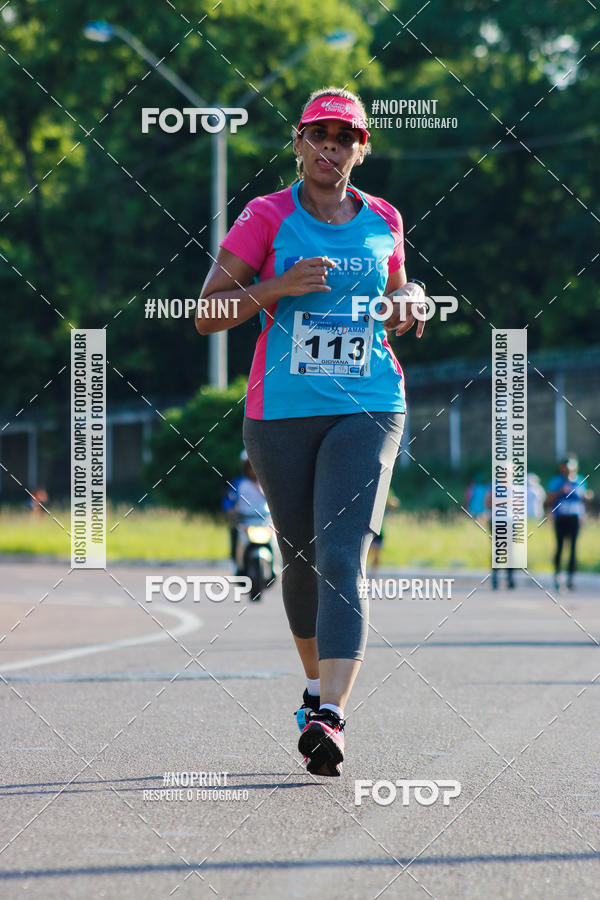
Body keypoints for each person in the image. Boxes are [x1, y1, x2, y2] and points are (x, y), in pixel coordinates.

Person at [196, 86, 428, 776]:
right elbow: (207, 314)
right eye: (319, 135)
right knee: (298, 559)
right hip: (281, 411)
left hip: (370, 399)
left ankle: (332, 715)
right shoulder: (267, 216)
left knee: (341, 555)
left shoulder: (384, 215)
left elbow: (399, 293)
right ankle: (311, 687)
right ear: (298, 143)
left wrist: (411, 300)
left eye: (346, 137)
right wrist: (278, 287)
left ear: (363, 147)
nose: (332, 148)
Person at [222, 450, 270, 569]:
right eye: (250, 466)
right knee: (234, 533)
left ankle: (278, 564)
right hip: (245, 522)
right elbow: (228, 499)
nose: (253, 469)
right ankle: (236, 563)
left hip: (265, 521)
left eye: (255, 465)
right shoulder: (239, 483)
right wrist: (229, 509)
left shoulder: (267, 483)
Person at [546, 455, 588, 591]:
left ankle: (571, 578)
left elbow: (583, 498)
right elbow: (549, 499)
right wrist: (560, 491)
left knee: (573, 548)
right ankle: (557, 575)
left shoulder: (580, 480)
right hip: (561, 517)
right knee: (559, 547)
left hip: (574, 517)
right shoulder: (556, 481)